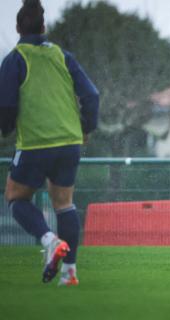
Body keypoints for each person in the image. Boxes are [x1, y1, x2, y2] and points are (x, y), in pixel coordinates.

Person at [0, 0, 99, 285]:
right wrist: (86, 128)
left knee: (16, 197)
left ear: (18, 27)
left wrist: (5, 129)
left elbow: (5, 105)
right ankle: (69, 273)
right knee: (64, 204)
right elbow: (92, 95)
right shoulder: (63, 56)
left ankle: (49, 239)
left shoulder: (15, 59)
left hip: (35, 143)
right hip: (69, 141)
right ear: (44, 27)